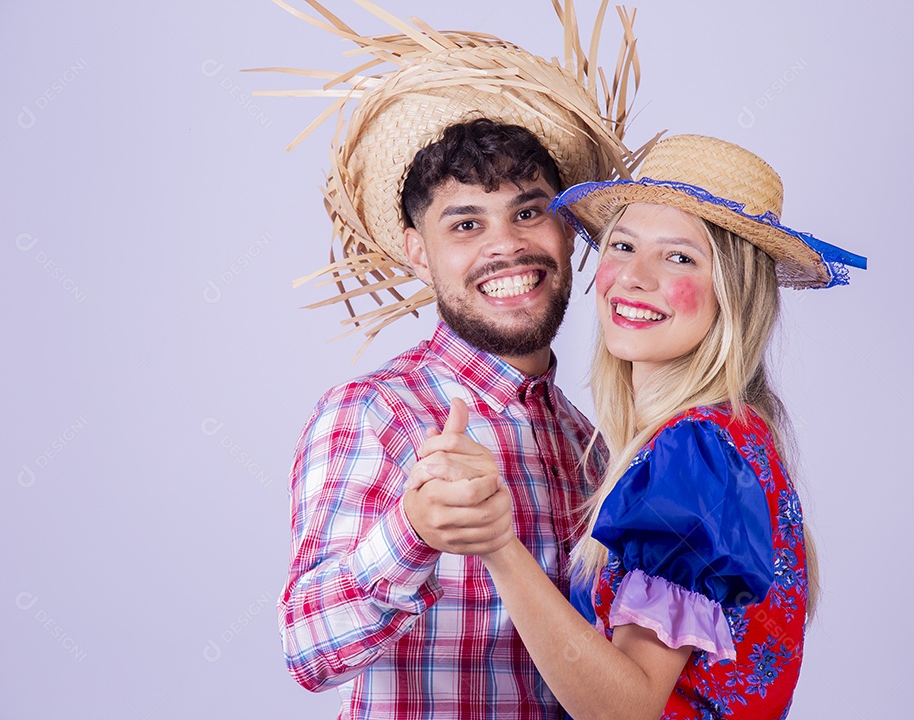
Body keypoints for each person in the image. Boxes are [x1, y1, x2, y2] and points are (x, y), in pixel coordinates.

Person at [271, 3, 647, 718]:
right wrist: (412, 531)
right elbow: (306, 648)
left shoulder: (591, 446)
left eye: (529, 211)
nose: (506, 246)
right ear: (418, 252)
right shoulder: (374, 413)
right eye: (466, 223)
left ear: (569, 230)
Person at [412, 134, 867, 719]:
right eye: (623, 245)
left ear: (732, 295)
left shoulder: (695, 452)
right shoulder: (726, 436)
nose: (634, 276)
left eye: (679, 257)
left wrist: (498, 545)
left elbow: (624, 710)